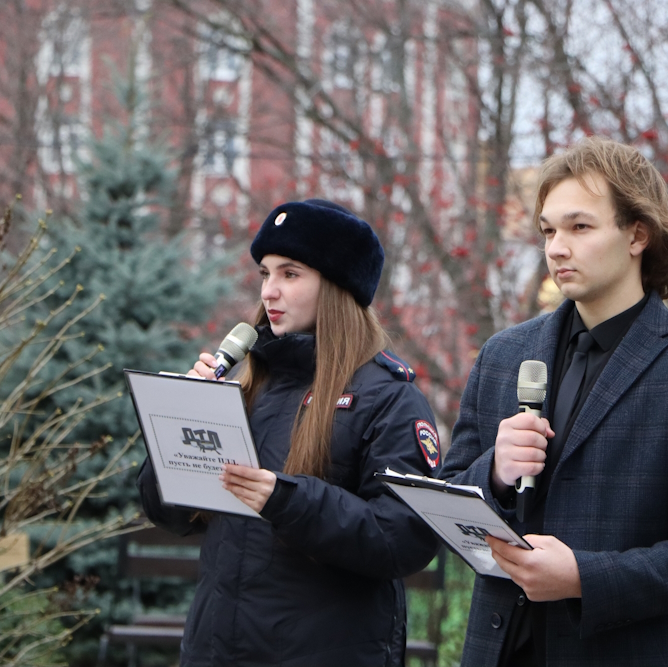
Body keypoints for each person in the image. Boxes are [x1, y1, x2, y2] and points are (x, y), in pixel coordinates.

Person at [439, 137, 668, 666]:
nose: (557, 248)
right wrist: (493, 472)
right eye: (548, 231)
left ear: (638, 234)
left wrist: (582, 578)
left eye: (579, 227)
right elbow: (448, 504)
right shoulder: (503, 355)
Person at [137, 198, 441, 667]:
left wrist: (286, 500)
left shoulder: (388, 398)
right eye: (265, 274)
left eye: (290, 274)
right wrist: (185, 421)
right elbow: (170, 515)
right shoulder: (247, 384)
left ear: (337, 286)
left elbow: (404, 538)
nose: (269, 292)